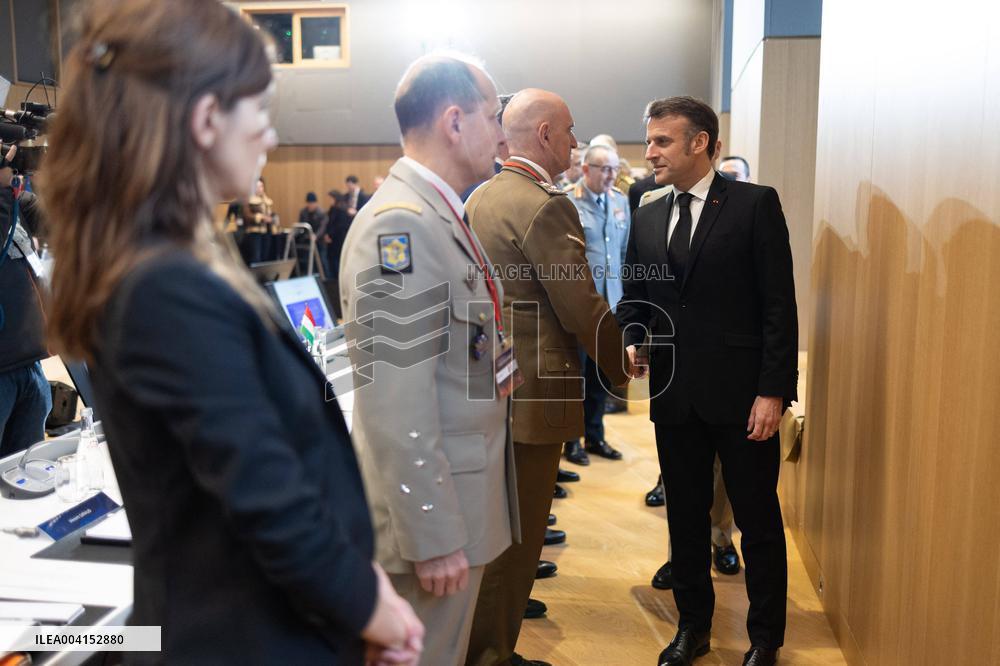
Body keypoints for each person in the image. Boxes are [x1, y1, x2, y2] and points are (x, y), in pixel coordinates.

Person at [42, 1, 422, 663]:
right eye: (263, 114)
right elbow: (266, 495)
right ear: (207, 119)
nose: (271, 138)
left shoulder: (176, 260)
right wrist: (368, 607)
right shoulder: (164, 285)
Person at [339, 53, 516, 666]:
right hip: (434, 524)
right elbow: (395, 401)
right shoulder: (403, 228)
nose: (502, 133)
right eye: (494, 116)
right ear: (453, 122)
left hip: (457, 501)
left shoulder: (441, 215)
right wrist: (432, 533)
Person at [617, 96, 797, 666]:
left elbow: (778, 307)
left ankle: (765, 638)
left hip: (744, 397)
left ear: (701, 143)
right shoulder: (645, 212)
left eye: (662, 141)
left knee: (757, 522)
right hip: (673, 393)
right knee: (685, 518)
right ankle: (693, 628)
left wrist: (773, 391)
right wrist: (631, 335)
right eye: (649, 141)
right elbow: (635, 296)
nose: (649, 152)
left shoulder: (754, 205)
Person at [465, 88, 635, 666]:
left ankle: (486, 644)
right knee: (517, 540)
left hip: (492, 383)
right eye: (568, 132)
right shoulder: (545, 204)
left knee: (495, 533)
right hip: (537, 392)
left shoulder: (481, 197)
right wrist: (622, 362)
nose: (574, 142)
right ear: (542, 135)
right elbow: (579, 304)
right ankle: (491, 653)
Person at [562, 143, 631, 466]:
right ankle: (570, 441)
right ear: (586, 169)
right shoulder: (567, 201)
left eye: (615, 169)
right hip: (579, 305)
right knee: (575, 375)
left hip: (611, 304)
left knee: (601, 374)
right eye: (604, 168)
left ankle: (595, 435)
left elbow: (623, 251)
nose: (611, 175)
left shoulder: (620, 201)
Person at [0, 145, 51, 457]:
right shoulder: (4, 202)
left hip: (29, 362)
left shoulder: (14, 202)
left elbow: (59, 224)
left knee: (26, 470)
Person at [298, 191, 329, 275]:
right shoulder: (303, 212)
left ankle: (326, 280)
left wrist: (316, 236)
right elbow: (301, 225)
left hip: (319, 241)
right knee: (308, 262)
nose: (310, 205)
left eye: (312, 203)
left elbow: (323, 227)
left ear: (316, 203)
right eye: (309, 203)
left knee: (322, 261)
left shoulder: (321, 213)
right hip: (308, 241)